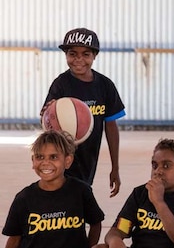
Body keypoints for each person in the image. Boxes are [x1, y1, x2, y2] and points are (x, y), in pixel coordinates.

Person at [44, 27, 125, 197]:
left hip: (89, 160)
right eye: (73, 54)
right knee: (65, 200)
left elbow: (111, 127)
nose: (78, 59)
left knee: (81, 198)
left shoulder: (105, 86)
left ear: (94, 56)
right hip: (63, 160)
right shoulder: (61, 84)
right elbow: (47, 119)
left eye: (86, 54)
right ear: (66, 55)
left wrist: (115, 167)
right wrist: (47, 111)